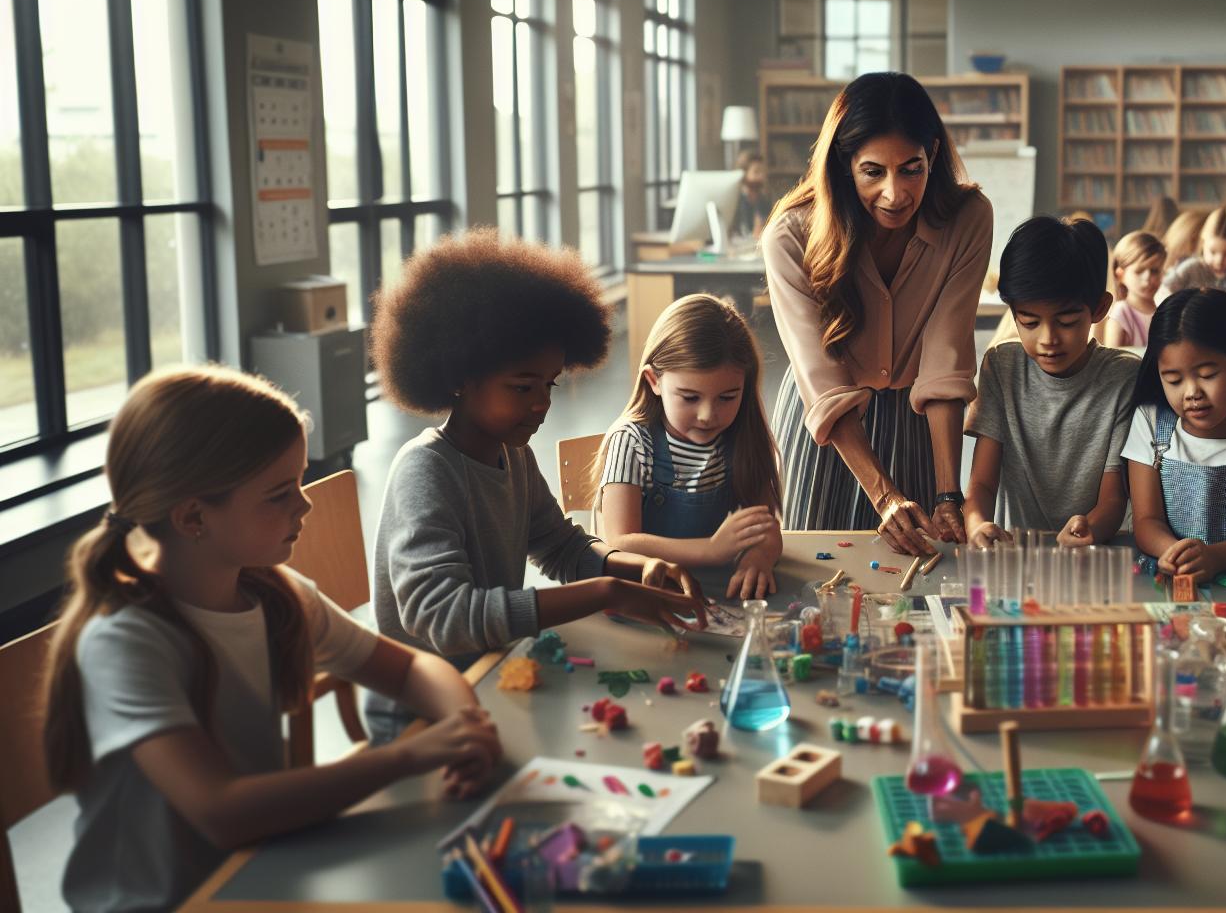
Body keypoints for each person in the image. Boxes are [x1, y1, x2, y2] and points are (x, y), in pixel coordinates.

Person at [42, 367, 502, 912]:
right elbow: (222, 811)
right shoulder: (126, 642)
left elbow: (409, 670)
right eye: (280, 493)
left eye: (300, 482)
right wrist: (408, 756)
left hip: (258, 873)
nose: (303, 506)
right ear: (193, 517)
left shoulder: (275, 595)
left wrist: (463, 723)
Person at [366, 231, 705, 742]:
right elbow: (444, 616)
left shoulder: (512, 451)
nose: (542, 403)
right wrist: (605, 591)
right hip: (425, 715)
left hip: (494, 673)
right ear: (460, 376)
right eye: (522, 387)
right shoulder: (426, 471)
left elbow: (557, 544)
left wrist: (631, 567)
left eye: (548, 385)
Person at [762, 72, 992, 555]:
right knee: (818, 572)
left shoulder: (968, 218)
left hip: (917, 419)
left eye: (912, 168)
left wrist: (949, 492)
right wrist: (883, 494)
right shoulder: (790, 236)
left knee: (914, 578)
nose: (895, 193)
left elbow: (946, 356)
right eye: (873, 172)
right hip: (828, 429)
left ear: (932, 153)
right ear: (845, 165)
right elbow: (821, 379)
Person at [965, 216, 1138, 549]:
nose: (1048, 339)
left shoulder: (1123, 377)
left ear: (1099, 308)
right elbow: (982, 484)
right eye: (1029, 322)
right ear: (1012, 313)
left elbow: (1113, 497)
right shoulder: (1002, 367)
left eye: (1068, 321)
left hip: (1095, 553)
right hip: (1015, 551)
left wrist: (1092, 527)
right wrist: (976, 526)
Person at [595, 294, 782, 601]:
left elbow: (765, 529)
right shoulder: (631, 441)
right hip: (645, 596)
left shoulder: (742, 436)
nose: (708, 415)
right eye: (690, 398)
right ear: (654, 381)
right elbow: (618, 542)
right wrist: (710, 550)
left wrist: (758, 558)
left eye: (727, 397)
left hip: (715, 595)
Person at [1125, 288, 1226, 581]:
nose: (1192, 393)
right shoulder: (1150, 423)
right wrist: (1176, 553)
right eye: (1174, 380)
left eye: (1207, 375)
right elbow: (1146, 521)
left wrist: (1213, 557)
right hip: (1171, 577)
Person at [1163, 203, 1226, 299]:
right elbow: (1163, 291)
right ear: (1203, 242)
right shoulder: (1191, 268)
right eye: (1212, 252)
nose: (1219, 261)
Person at [1100, 229, 1166, 348]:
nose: (1148, 278)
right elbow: (1114, 363)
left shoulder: (1164, 312)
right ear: (1120, 275)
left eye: (1155, 271)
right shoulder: (1121, 313)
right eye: (1139, 271)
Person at [734, 149, 773, 239]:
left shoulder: (764, 200)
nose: (761, 176)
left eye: (762, 172)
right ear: (743, 174)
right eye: (756, 172)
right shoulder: (735, 201)